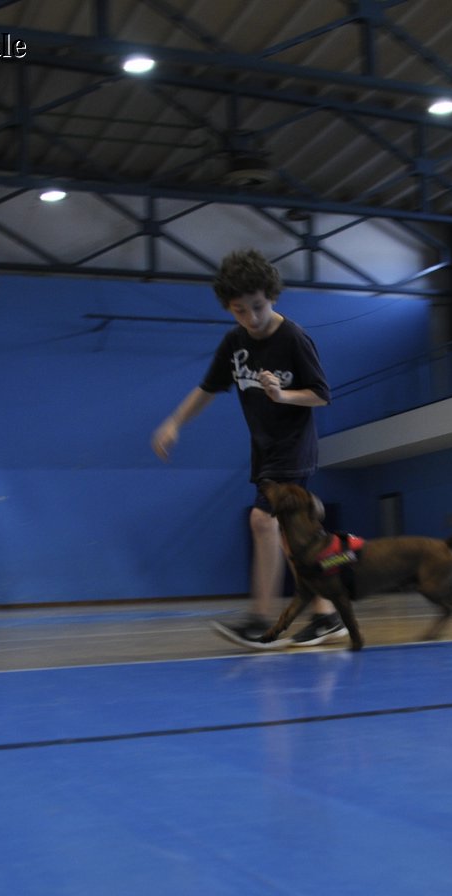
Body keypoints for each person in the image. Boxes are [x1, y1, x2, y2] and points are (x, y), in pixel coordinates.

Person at [151, 249, 346, 649]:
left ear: (271, 296)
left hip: (293, 447)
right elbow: (208, 387)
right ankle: (327, 616)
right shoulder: (235, 341)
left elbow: (322, 395)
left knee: (262, 521)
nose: (251, 318)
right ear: (229, 309)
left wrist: (283, 394)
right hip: (264, 449)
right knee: (294, 536)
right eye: (240, 310)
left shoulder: (293, 336)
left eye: (257, 307)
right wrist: (174, 422)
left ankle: (261, 620)